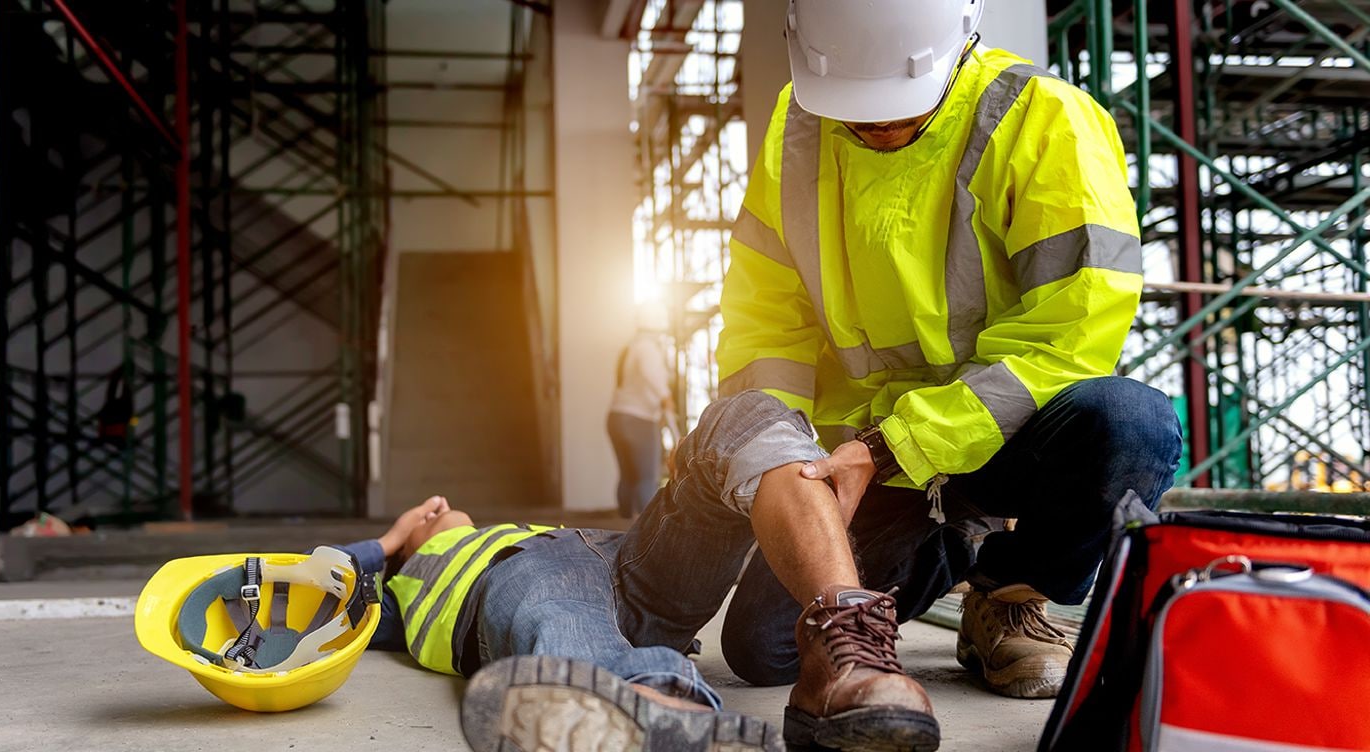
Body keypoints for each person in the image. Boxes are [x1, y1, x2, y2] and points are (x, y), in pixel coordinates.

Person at [607, 0, 1184, 749]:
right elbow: (769, 320)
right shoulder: (800, 126)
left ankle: (1011, 595)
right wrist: (779, 459)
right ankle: (952, 545)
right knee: (765, 649)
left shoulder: (1044, 121)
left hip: (1001, 437)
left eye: (900, 110)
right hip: (865, 462)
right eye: (858, 112)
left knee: (1131, 424)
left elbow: (1070, 335)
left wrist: (890, 447)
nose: (876, 128)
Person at [334, 495, 782, 752]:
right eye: (425, 515)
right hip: (539, 580)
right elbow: (317, 587)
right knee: (557, 607)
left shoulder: (505, 531)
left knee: (715, 457)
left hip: (614, 562)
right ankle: (655, 704)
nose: (438, 508)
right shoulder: (398, 590)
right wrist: (387, 540)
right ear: (406, 553)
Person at [607, 302, 677, 516]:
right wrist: (666, 397)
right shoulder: (648, 347)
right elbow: (652, 374)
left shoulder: (631, 346)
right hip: (639, 420)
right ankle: (649, 534)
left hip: (616, 417)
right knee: (647, 478)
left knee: (628, 477)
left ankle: (620, 528)